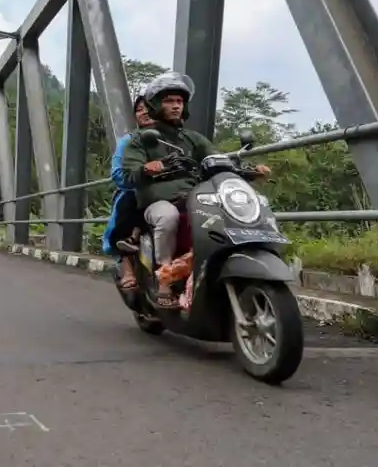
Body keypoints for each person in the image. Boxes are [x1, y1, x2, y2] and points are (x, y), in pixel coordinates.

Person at [121, 71, 270, 307]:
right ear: (156, 105)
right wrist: (147, 169)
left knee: (223, 214)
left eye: (179, 101)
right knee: (168, 217)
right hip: (157, 202)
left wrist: (248, 171)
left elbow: (217, 159)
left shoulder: (193, 139)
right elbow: (129, 175)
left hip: (192, 197)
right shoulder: (141, 140)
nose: (175, 106)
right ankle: (165, 279)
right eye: (169, 101)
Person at [102, 94, 154, 290]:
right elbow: (117, 173)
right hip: (137, 191)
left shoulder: (177, 137)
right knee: (131, 201)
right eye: (139, 109)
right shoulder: (130, 141)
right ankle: (125, 262)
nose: (144, 113)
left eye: (148, 107)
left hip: (173, 191)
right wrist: (142, 173)